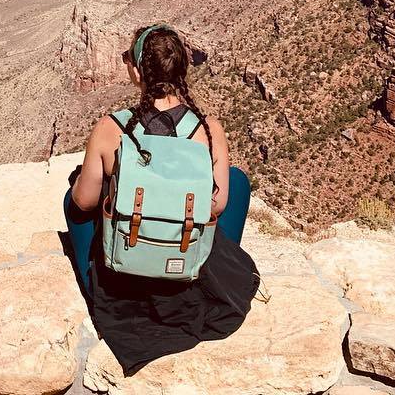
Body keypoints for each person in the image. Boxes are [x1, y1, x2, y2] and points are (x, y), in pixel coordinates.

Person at [63, 23, 259, 375]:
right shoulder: (208, 130)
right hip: (185, 278)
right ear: (183, 69)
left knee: (71, 196)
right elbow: (216, 206)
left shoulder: (112, 128)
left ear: (137, 71)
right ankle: (206, 271)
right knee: (238, 182)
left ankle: (91, 277)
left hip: (125, 282)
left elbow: (85, 203)